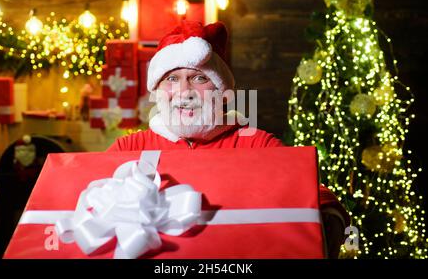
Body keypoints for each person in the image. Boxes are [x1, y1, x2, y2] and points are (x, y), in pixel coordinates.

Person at [107, 20, 350, 258]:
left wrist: (329, 211)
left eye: (199, 78)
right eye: (172, 79)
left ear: (221, 91)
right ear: (158, 90)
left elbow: (308, 189)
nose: (184, 91)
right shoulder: (129, 149)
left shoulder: (255, 143)